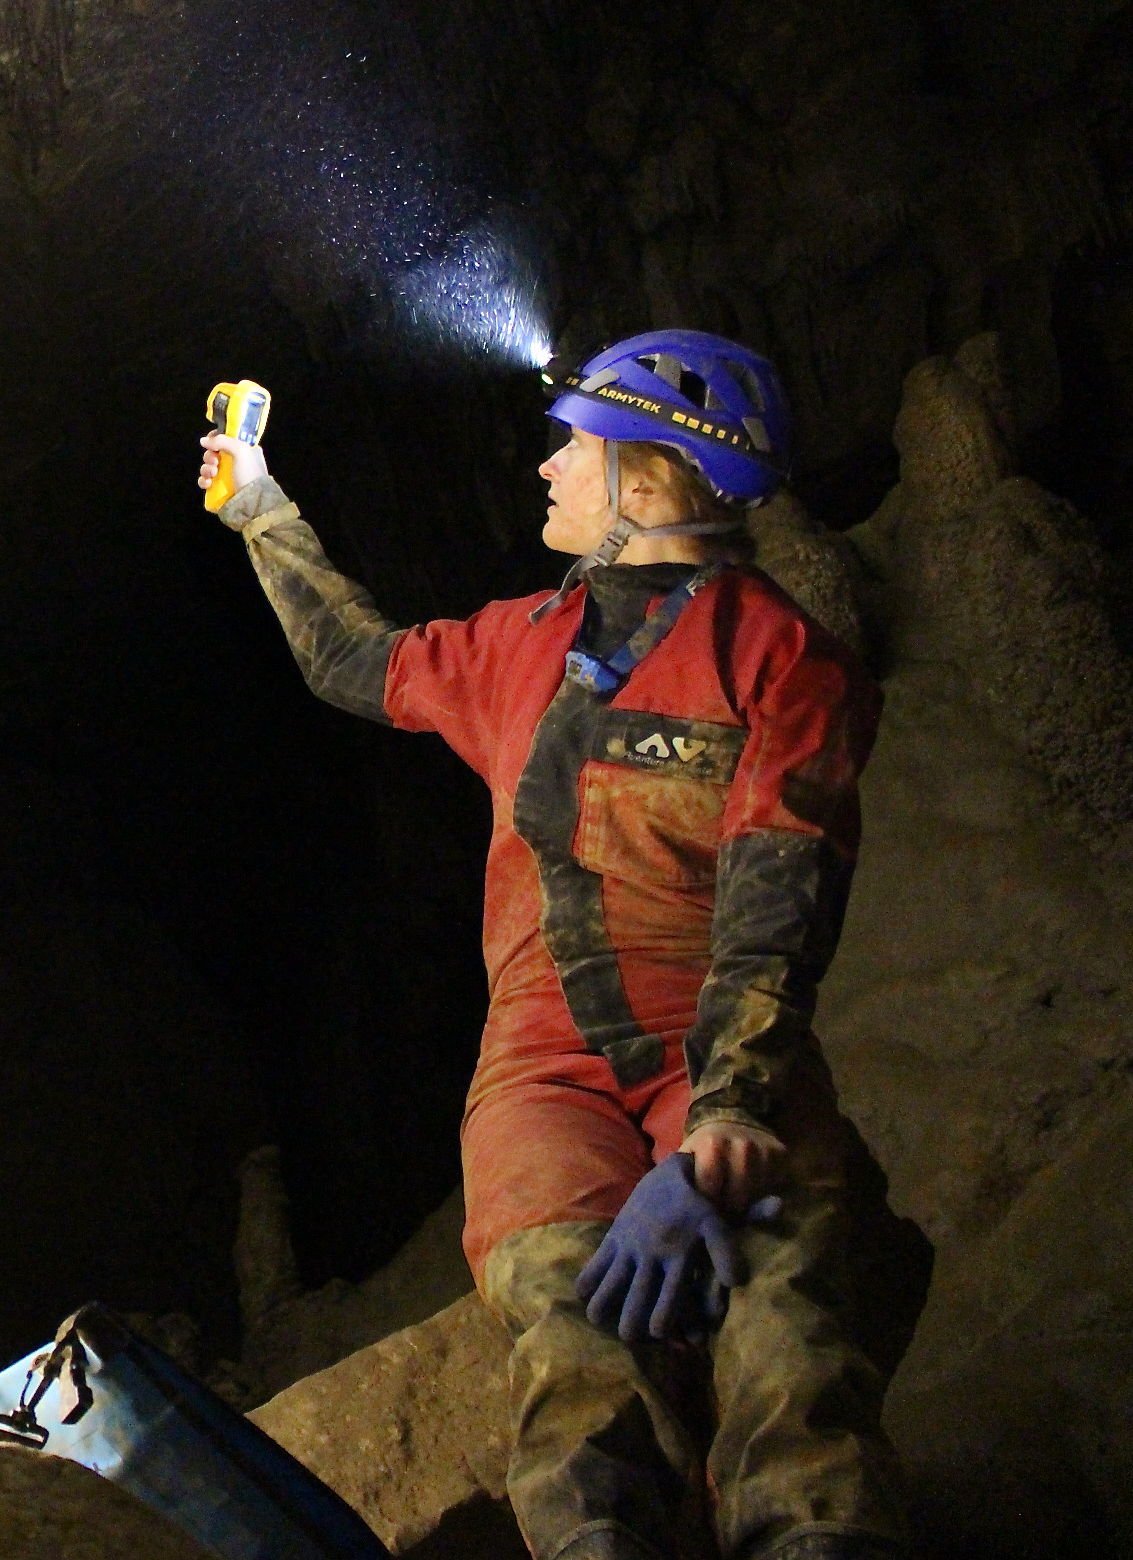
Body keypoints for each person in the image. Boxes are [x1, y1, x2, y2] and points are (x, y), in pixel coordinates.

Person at [200, 332, 912, 1560]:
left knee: (784, 1342)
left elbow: (778, 891)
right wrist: (257, 504)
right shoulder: (518, 641)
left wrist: (726, 1119)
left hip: (719, 1041)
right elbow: (351, 658)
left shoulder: (783, 660)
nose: (541, 472)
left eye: (567, 449)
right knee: (571, 1344)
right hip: (544, 1067)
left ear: (644, 486)